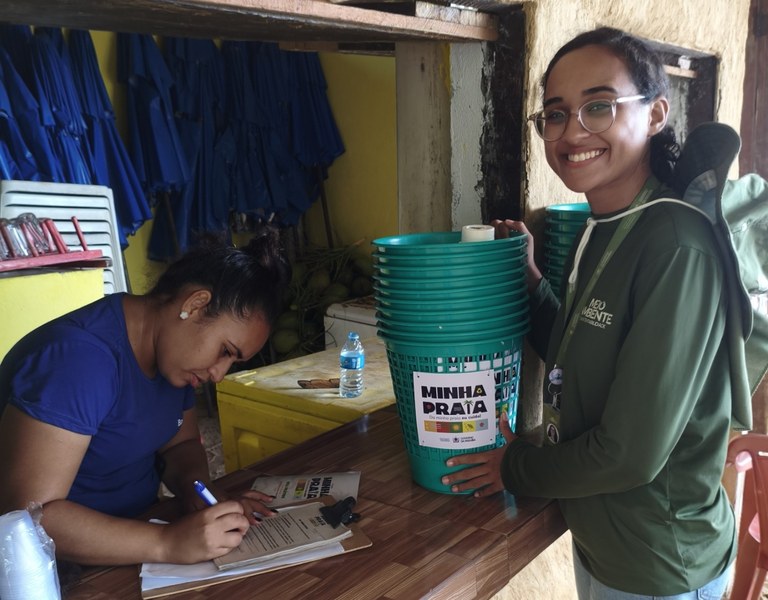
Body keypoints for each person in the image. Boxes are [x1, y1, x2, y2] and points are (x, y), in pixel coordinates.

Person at [440, 27, 751, 598]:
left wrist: (514, 468)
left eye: (599, 106)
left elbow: (629, 454)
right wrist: (532, 283)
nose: (572, 131)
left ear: (655, 114)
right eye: (555, 115)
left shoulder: (677, 243)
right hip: (606, 543)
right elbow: (582, 348)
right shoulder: (605, 225)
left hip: (660, 563)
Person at [0, 226, 291, 566]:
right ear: (195, 305)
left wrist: (198, 492)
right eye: (225, 351)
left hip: (138, 533)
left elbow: (180, 446)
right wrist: (166, 544)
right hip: (56, 566)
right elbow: (29, 518)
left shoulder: (174, 362)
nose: (218, 374)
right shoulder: (78, 359)